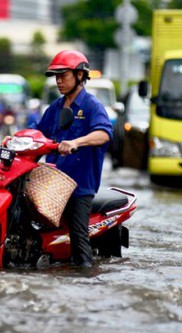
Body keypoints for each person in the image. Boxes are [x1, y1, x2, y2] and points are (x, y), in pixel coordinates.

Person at [28, 50, 113, 267]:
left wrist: (77, 142)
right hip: (52, 183)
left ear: (79, 76)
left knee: (78, 237)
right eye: (56, 76)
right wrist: (16, 138)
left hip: (80, 187)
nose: (58, 80)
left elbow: (104, 133)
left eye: (63, 75)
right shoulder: (56, 107)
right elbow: (38, 130)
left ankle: (85, 276)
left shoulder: (92, 105)